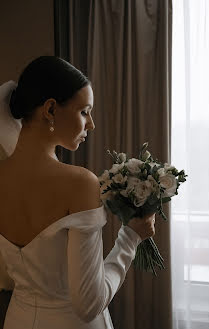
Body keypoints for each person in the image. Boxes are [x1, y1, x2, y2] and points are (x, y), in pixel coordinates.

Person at [0, 56, 156, 329]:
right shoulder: (79, 183)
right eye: (84, 111)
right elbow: (89, 304)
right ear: (50, 109)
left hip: (17, 319)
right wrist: (131, 237)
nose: (91, 124)